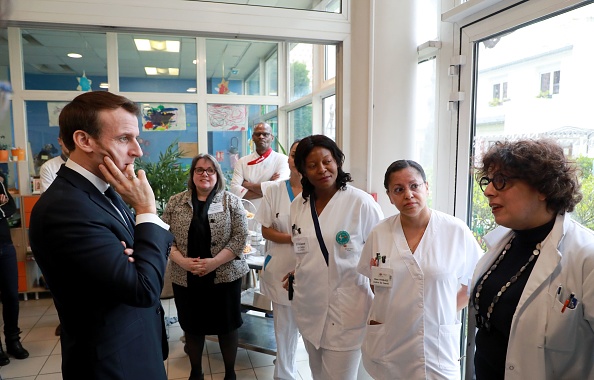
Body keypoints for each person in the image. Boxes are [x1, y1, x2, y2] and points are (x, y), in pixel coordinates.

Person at [29, 91, 174, 380]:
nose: (137, 151)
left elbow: (143, 256)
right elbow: (143, 288)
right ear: (84, 140)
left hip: (138, 346)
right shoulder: (65, 207)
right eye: (124, 138)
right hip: (111, 364)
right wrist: (146, 208)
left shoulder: (106, 188)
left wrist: (137, 254)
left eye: (136, 138)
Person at [471, 138, 594, 379]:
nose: (488, 191)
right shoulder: (503, 244)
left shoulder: (586, 256)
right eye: (488, 181)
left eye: (501, 181)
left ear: (543, 188)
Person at [357, 160, 482, 379]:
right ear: (389, 196)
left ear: (426, 187)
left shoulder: (455, 230)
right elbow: (375, 283)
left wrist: (438, 311)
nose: (408, 194)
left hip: (435, 344)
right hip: (390, 342)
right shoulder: (380, 233)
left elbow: (474, 284)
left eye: (414, 186)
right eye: (398, 189)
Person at [289, 134, 384, 380]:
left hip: (346, 311)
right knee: (317, 375)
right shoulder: (298, 205)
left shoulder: (360, 203)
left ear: (337, 161)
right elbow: (304, 252)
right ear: (303, 170)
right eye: (312, 165)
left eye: (327, 161)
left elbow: (381, 256)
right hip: (308, 306)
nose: (322, 169)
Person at [162, 153, 249, 380]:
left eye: (210, 170)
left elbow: (240, 237)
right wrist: (181, 260)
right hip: (186, 276)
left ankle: (230, 373)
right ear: (192, 174)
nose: (205, 174)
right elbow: (163, 237)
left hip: (224, 277)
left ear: (217, 174)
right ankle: (196, 372)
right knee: (192, 326)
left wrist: (214, 262)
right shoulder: (176, 201)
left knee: (227, 327)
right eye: (199, 169)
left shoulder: (231, 201)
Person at [254, 139, 302, 380]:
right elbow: (265, 230)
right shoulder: (274, 190)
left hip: (313, 272)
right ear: (288, 159)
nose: (299, 159)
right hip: (282, 267)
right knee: (284, 329)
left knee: (312, 329)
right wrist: (295, 239)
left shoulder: (322, 194)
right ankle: (283, 375)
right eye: (294, 154)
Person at [0, 178, 29, 366]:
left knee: (11, 294)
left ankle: (13, 340)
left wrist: (2, 207)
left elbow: (11, 207)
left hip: (5, 246)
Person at [230, 122, 290, 210]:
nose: (261, 137)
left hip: (272, 213)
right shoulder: (242, 161)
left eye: (265, 134)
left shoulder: (282, 159)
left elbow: (279, 188)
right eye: (258, 134)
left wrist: (248, 185)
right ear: (253, 138)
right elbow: (234, 190)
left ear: (272, 138)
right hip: (249, 215)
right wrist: (268, 185)